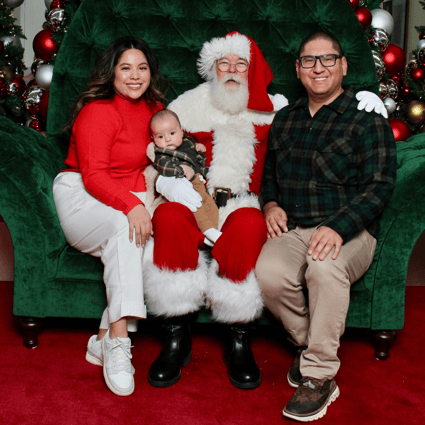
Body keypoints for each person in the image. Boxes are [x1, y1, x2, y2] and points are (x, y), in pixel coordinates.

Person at [142, 31, 387, 390]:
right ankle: (176, 333)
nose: (231, 70)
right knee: (167, 217)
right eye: (222, 62)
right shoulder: (192, 106)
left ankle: (238, 336)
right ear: (210, 68)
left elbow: (376, 182)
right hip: (193, 198)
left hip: (246, 202)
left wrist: (369, 99)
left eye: (241, 63)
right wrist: (166, 184)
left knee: (249, 226)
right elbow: (152, 142)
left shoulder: (276, 109)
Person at [255, 32, 397, 421]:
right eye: (309, 61)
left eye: (328, 59)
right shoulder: (285, 120)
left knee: (324, 267)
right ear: (298, 70)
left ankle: (318, 376)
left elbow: (379, 186)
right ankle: (309, 345)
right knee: (268, 274)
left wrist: (337, 227)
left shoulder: (367, 120)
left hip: (351, 231)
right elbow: (269, 178)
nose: (319, 68)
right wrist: (269, 205)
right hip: (297, 228)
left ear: (343, 66)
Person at [52, 37, 166, 396]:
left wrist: (150, 202)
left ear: (151, 72)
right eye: (125, 67)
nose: (135, 76)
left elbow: (150, 165)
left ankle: (99, 341)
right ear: (111, 73)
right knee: (126, 227)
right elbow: (95, 175)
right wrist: (133, 207)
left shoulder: (155, 110)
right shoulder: (98, 110)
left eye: (142, 67)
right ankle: (119, 343)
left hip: (123, 196)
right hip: (80, 196)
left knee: (146, 246)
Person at [149, 109, 221, 246]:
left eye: (172, 133)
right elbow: (164, 167)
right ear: (153, 139)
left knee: (209, 203)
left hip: (199, 181)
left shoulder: (187, 142)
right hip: (185, 184)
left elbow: (194, 153)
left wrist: (197, 147)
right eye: (160, 137)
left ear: (181, 131)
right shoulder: (161, 153)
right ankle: (209, 231)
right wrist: (180, 170)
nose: (167, 139)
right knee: (196, 206)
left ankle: (211, 230)